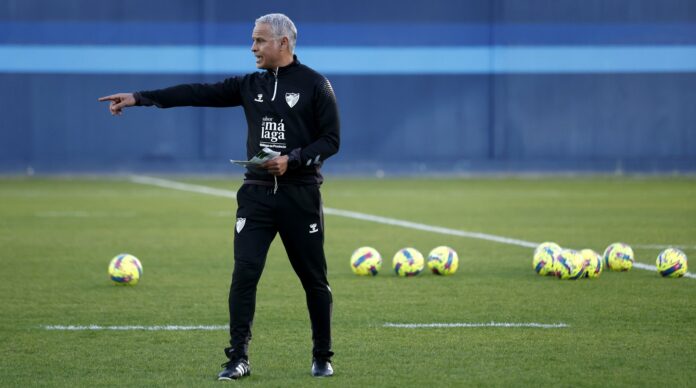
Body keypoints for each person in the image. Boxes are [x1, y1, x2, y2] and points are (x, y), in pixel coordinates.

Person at [98, 13, 339, 380]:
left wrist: (293, 159)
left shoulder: (316, 85)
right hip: (256, 196)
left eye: (259, 40)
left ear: (283, 44)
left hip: (300, 196)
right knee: (244, 276)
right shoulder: (249, 84)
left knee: (313, 280)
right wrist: (139, 98)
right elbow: (197, 93)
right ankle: (237, 358)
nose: (253, 47)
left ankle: (322, 356)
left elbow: (331, 141)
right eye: (253, 40)